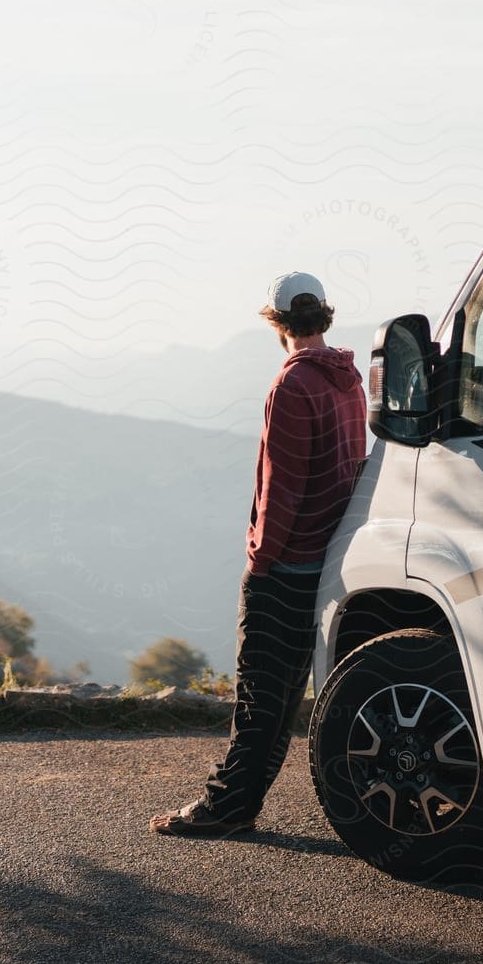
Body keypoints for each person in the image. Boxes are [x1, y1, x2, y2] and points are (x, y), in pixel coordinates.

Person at [150, 270, 368, 837]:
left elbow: (283, 487)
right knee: (284, 694)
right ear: (324, 314)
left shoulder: (292, 386)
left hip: (290, 561)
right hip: (333, 553)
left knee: (260, 696)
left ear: (276, 322)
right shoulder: (348, 380)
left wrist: (260, 557)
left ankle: (227, 808)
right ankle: (238, 803)